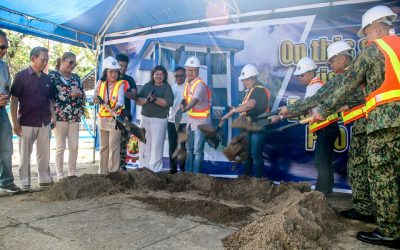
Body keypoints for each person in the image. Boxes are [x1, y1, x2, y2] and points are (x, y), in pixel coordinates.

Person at [312, 5, 399, 247]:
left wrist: (320, 111)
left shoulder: (373, 52)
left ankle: (391, 231)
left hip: (384, 124)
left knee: (384, 177)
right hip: (388, 122)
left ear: (377, 28)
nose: (366, 39)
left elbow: (344, 88)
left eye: (367, 33)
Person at [275, 41, 373, 220]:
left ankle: (365, 210)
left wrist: (288, 111)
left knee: (358, 167)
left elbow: (320, 98)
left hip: (367, 123)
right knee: (360, 167)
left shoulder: (346, 77)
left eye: (331, 62)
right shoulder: (356, 73)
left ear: (342, 59)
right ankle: (364, 209)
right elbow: (357, 100)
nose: (329, 66)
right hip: (368, 123)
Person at [287, 57, 340, 195]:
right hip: (327, 127)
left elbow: (304, 107)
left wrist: (283, 114)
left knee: (321, 161)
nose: (300, 78)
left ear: (311, 72)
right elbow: (305, 108)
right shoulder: (313, 86)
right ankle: (325, 190)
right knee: (324, 160)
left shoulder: (315, 86)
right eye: (298, 76)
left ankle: (322, 192)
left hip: (327, 127)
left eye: (302, 75)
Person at [10, 46, 54, 189]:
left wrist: (53, 117)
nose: (45, 62)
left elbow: (50, 100)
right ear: (33, 58)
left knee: (44, 154)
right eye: (43, 59)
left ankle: (45, 179)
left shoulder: (48, 78)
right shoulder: (20, 76)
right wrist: (15, 123)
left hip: (44, 121)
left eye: (47, 60)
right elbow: (14, 100)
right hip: (26, 121)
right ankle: (25, 182)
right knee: (24, 155)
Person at [222, 64, 270, 178]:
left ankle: (259, 182)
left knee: (255, 155)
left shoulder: (259, 90)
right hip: (250, 126)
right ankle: (246, 179)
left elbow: (250, 105)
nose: (244, 82)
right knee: (247, 154)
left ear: (254, 78)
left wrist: (234, 110)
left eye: (246, 79)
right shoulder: (251, 90)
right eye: (243, 80)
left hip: (258, 126)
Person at [49, 52, 85, 180]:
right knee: (60, 146)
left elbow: (83, 94)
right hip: (59, 116)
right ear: (62, 61)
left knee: (74, 146)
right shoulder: (52, 76)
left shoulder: (77, 77)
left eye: (75, 63)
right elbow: (49, 96)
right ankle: (60, 175)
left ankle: (72, 174)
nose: (73, 65)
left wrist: (79, 94)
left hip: (74, 116)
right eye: (71, 62)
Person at [93, 56, 128, 174]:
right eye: (111, 71)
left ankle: (114, 172)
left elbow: (121, 102)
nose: (114, 74)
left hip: (115, 120)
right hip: (102, 119)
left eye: (116, 72)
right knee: (104, 147)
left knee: (114, 146)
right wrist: (96, 99)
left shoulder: (120, 85)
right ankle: (102, 172)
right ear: (105, 72)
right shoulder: (100, 83)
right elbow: (94, 98)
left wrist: (114, 110)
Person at [136, 65, 173, 172]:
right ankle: (144, 168)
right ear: (153, 75)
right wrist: (147, 100)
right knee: (143, 143)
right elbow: (138, 100)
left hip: (159, 120)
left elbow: (167, 103)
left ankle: (155, 170)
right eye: (157, 74)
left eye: (161, 74)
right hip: (145, 118)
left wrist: (154, 99)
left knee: (157, 145)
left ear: (165, 76)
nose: (159, 76)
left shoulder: (167, 87)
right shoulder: (147, 86)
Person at [181, 56, 211, 173]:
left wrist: (183, 110)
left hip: (201, 122)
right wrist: (181, 104)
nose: (189, 73)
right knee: (189, 148)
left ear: (198, 71)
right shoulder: (188, 84)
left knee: (197, 151)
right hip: (191, 121)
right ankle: (188, 175)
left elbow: (193, 102)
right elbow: (185, 99)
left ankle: (196, 177)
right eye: (188, 70)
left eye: (192, 70)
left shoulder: (200, 85)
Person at [0, 30, 20, 193]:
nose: (4, 50)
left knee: (6, 145)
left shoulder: (4, 66)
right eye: (1, 47)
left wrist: (6, 94)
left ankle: (6, 180)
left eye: (6, 47)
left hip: (1, 110)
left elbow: (7, 87)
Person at [116, 54, 137, 171]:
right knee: (112, 142)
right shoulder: (110, 77)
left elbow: (135, 96)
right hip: (111, 114)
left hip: (125, 114)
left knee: (124, 141)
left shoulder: (129, 79)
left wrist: (123, 90)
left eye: (125, 66)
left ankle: (122, 167)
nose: (123, 68)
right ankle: (112, 167)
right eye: (120, 65)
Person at [167, 67, 188, 174]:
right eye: (176, 76)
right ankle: (173, 169)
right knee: (172, 146)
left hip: (184, 122)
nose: (179, 78)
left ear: (185, 76)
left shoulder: (189, 88)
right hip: (171, 121)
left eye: (181, 75)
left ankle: (183, 169)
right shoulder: (171, 87)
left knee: (183, 146)